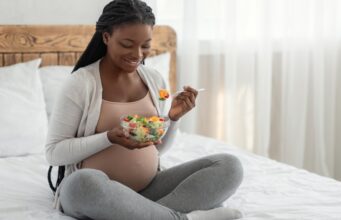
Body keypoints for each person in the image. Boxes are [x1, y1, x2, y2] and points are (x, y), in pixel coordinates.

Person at [45, 0, 244, 219]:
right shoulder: (80, 84)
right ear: (106, 37)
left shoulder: (155, 80)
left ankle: (145, 213)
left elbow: (157, 150)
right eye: (127, 44)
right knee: (81, 185)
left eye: (145, 45)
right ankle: (181, 216)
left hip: (150, 189)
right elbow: (54, 153)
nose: (138, 54)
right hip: (98, 191)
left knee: (229, 166)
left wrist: (172, 118)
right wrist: (109, 138)